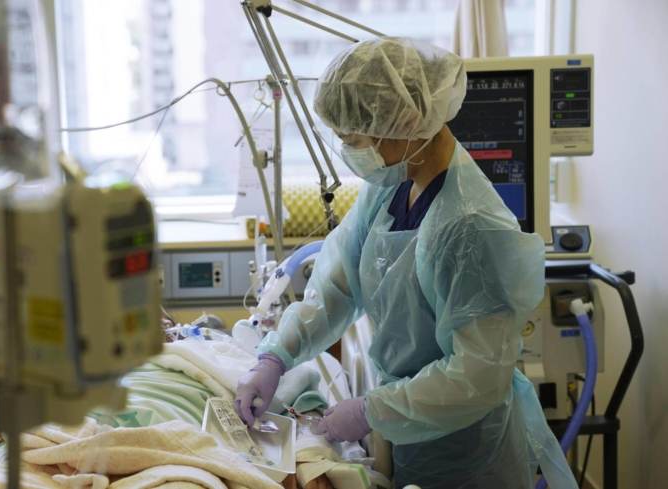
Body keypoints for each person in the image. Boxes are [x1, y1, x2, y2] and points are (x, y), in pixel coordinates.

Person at [234, 37, 578, 489]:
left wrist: (371, 410)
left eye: (355, 139)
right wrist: (275, 356)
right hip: (411, 434)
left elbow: (477, 375)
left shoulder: (470, 226)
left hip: (467, 453)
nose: (350, 151)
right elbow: (338, 285)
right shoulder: (392, 183)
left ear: (409, 121)